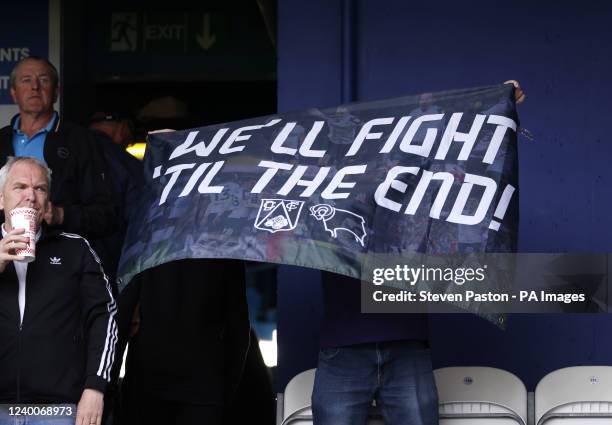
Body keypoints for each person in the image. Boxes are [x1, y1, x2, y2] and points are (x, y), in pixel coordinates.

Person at [311, 81, 526, 425]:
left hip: (406, 343)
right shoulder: (327, 194)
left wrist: (494, 102)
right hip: (345, 348)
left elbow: (456, 152)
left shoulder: (416, 195)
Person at [0, 156, 117, 425]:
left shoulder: (75, 249)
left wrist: (95, 387)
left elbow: (105, 317)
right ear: (1, 200)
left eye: (40, 189)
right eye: (20, 187)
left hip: (55, 411)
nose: (31, 196)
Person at [0, 56, 117, 241]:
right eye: (26, 80)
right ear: (13, 93)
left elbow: (107, 214)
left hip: (62, 256)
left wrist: (61, 215)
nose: (34, 87)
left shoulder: (80, 140)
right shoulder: (1, 140)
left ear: (55, 93)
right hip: (6, 254)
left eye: (43, 80)